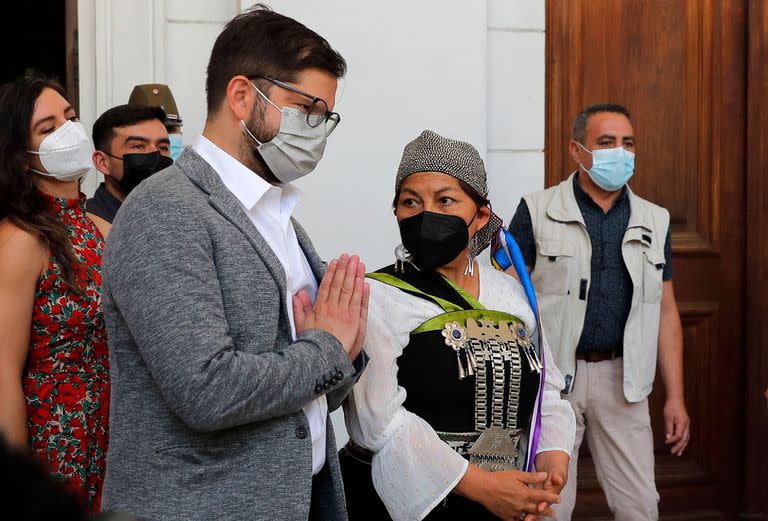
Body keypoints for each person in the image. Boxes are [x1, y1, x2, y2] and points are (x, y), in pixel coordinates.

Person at [100, 6, 368, 521]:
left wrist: (345, 349)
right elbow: (205, 389)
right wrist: (329, 348)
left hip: (298, 500)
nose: (317, 129)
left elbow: (315, 389)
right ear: (242, 96)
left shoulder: (280, 215)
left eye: (325, 116)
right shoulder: (166, 210)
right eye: (306, 108)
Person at [341, 130, 576, 521]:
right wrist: (483, 487)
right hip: (408, 501)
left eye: (445, 200)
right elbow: (378, 422)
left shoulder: (513, 294)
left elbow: (547, 393)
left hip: (504, 495)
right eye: (410, 202)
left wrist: (552, 458)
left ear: (480, 215)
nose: (425, 214)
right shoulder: (378, 296)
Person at [508, 104, 690, 520]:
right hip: (553, 381)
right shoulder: (537, 210)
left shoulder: (654, 220)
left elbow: (665, 310)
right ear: (577, 151)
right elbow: (507, 300)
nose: (619, 152)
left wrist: (675, 397)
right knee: (548, 504)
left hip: (623, 380)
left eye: (628, 143)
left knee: (640, 506)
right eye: (606, 143)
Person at [0, 73, 111, 511]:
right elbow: (3, 373)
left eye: (70, 116)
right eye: (48, 128)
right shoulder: (20, 239)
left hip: (112, 436)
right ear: (21, 156)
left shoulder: (101, 228)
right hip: (54, 440)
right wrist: (16, 487)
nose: (68, 130)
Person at [87, 104, 172, 223]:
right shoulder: (86, 226)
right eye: (138, 146)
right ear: (102, 162)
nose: (155, 154)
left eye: (163, 148)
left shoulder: (177, 217)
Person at [128, 84, 184, 160]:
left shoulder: (196, 168)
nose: (162, 137)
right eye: (148, 131)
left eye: (169, 129)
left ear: (180, 131)